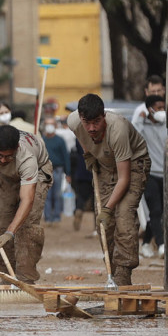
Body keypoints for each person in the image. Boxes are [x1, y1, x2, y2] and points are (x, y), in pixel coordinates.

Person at [67, 94, 150, 286]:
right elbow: (81, 135)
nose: (92, 128)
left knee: (122, 215)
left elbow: (124, 178)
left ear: (104, 116)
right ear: (80, 118)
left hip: (133, 164)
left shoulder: (117, 129)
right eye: (87, 123)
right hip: (104, 165)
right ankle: (111, 272)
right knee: (104, 224)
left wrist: (107, 208)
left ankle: (123, 273)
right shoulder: (73, 122)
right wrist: (88, 153)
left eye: (97, 122)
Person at [0, 126, 53, 284]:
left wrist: (11, 232)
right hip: (5, 175)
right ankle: (7, 276)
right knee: (1, 226)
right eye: (0, 155)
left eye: (9, 156)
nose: (4, 160)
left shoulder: (27, 159)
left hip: (38, 172)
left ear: (17, 148)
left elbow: (27, 200)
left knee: (26, 227)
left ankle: (26, 279)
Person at [135, 95, 168, 257]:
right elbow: (133, 137)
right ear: (149, 109)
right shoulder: (143, 126)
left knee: (160, 212)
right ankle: (161, 245)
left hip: (166, 175)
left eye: (163, 107)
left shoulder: (166, 125)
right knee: (155, 211)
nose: (161, 111)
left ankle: (146, 243)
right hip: (149, 174)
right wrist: (141, 120)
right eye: (158, 107)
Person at [41, 116, 71, 224]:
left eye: (51, 124)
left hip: (58, 170)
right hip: (45, 171)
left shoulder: (60, 140)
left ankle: (57, 216)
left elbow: (66, 157)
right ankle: (48, 217)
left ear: (55, 126)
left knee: (57, 195)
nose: (49, 127)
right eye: (47, 124)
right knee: (47, 196)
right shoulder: (42, 140)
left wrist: (68, 173)